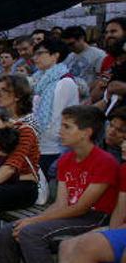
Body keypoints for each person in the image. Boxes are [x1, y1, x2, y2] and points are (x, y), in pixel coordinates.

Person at [0, 105, 118, 263]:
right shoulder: (66, 160)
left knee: (30, 232)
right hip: (71, 214)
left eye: (67, 127)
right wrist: (37, 219)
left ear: (86, 133)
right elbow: (62, 203)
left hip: (95, 217)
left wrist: (35, 221)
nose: (60, 131)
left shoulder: (105, 161)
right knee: (7, 231)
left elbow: (82, 207)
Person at [32, 38, 80, 175]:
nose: (35, 58)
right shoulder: (41, 79)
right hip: (39, 145)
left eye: (40, 53)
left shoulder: (64, 82)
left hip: (53, 148)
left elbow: (55, 118)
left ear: (55, 55)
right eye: (34, 54)